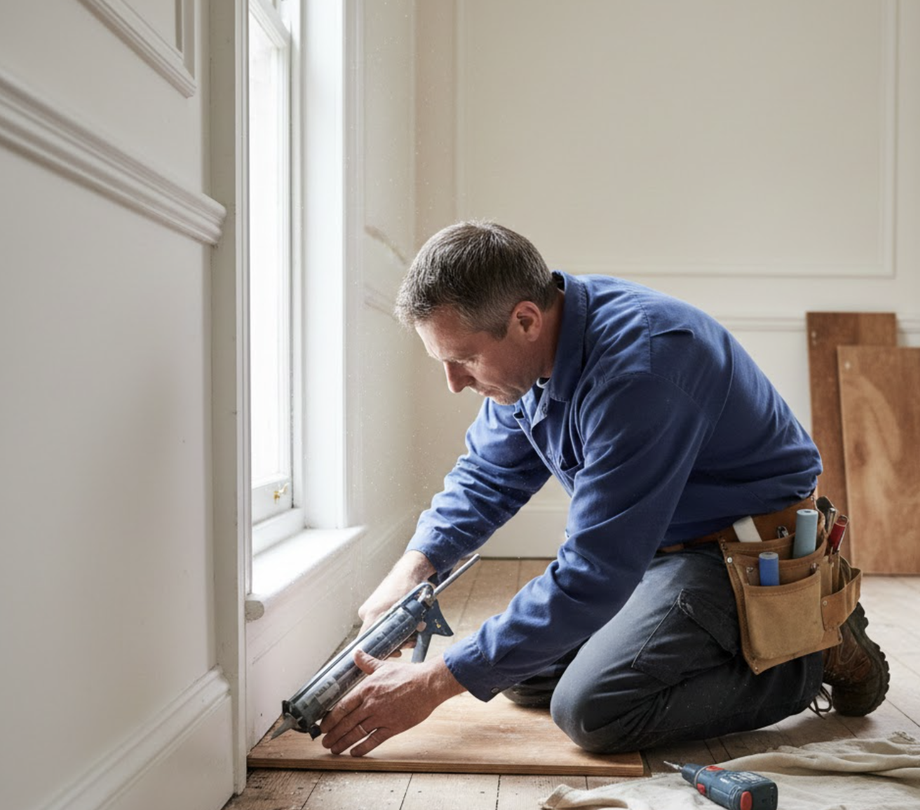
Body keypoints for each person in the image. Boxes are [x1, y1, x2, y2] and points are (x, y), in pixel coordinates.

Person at [319, 220, 890, 758]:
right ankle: (732, 641)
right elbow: (488, 477)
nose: (454, 383)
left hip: (740, 550)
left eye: (465, 358)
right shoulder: (532, 354)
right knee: (517, 674)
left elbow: (594, 572)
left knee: (592, 710)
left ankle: (808, 651)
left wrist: (435, 683)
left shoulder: (642, 367)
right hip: (658, 548)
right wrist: (414, 569)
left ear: (524, 320)